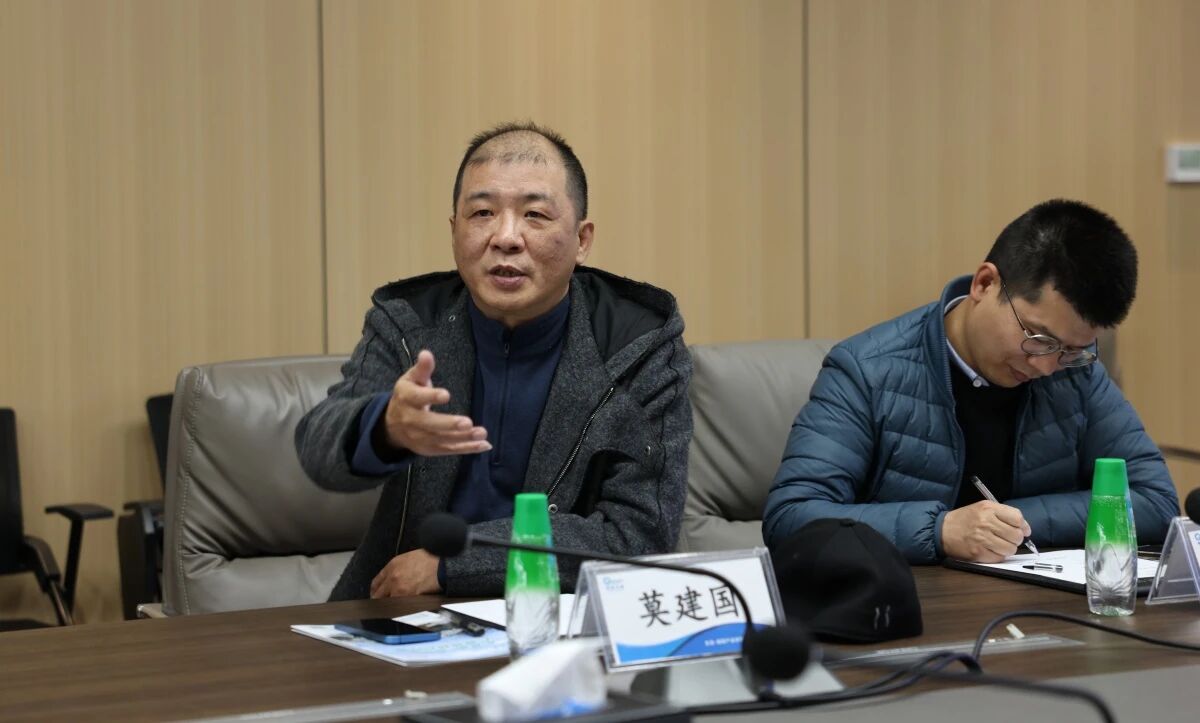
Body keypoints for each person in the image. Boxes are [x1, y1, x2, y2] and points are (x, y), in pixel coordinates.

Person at [295, 122, 692, 599]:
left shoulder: (638, 342)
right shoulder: (409, 323)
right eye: (482, 213)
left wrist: (453, 564)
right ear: (454, 231)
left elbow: (640, 536)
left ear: (582, 240)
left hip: (562, 618)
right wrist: (383, 428)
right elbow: (318, 451)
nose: (505, 237)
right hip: (405, 614)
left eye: (535, 215)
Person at [763, 199, 1178, 563]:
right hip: (909, 610)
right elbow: (792, 516)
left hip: (1040, 606)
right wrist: (940, 530)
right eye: (1038, 338)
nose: (1047, 365)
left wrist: (1008, 523)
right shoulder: (867, 371)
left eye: (1071, 349)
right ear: (985, 284)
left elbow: (1155, 502)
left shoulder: (1077, 373)